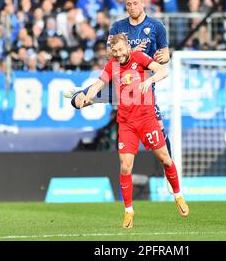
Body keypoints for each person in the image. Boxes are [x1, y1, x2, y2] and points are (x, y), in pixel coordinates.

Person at [81, 33, 189, 229]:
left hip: (147, 119)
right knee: (125, 166)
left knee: (165, 159)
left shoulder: (139, 58)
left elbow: (162, 71)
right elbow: (98, 84)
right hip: (127, 123)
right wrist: (86, 97)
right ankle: (129, 211)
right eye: (115, 51)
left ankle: (178, 196)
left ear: (128, 48)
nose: (118, 54)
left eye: (121, 50)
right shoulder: (111, 65)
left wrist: (149, 80)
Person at [66, 0, 173, 158]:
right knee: (76, 102)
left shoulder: (156, 26)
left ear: (143, 3)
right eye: (128, 4)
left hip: (142, 85)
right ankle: (83, 93)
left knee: (159, 129)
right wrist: (129, 53)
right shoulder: (118, 26)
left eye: (135, 3)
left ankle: (170, 173)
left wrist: (163, 57)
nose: (132, 7)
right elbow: (110, 55)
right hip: (119, 81)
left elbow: (166, 55)